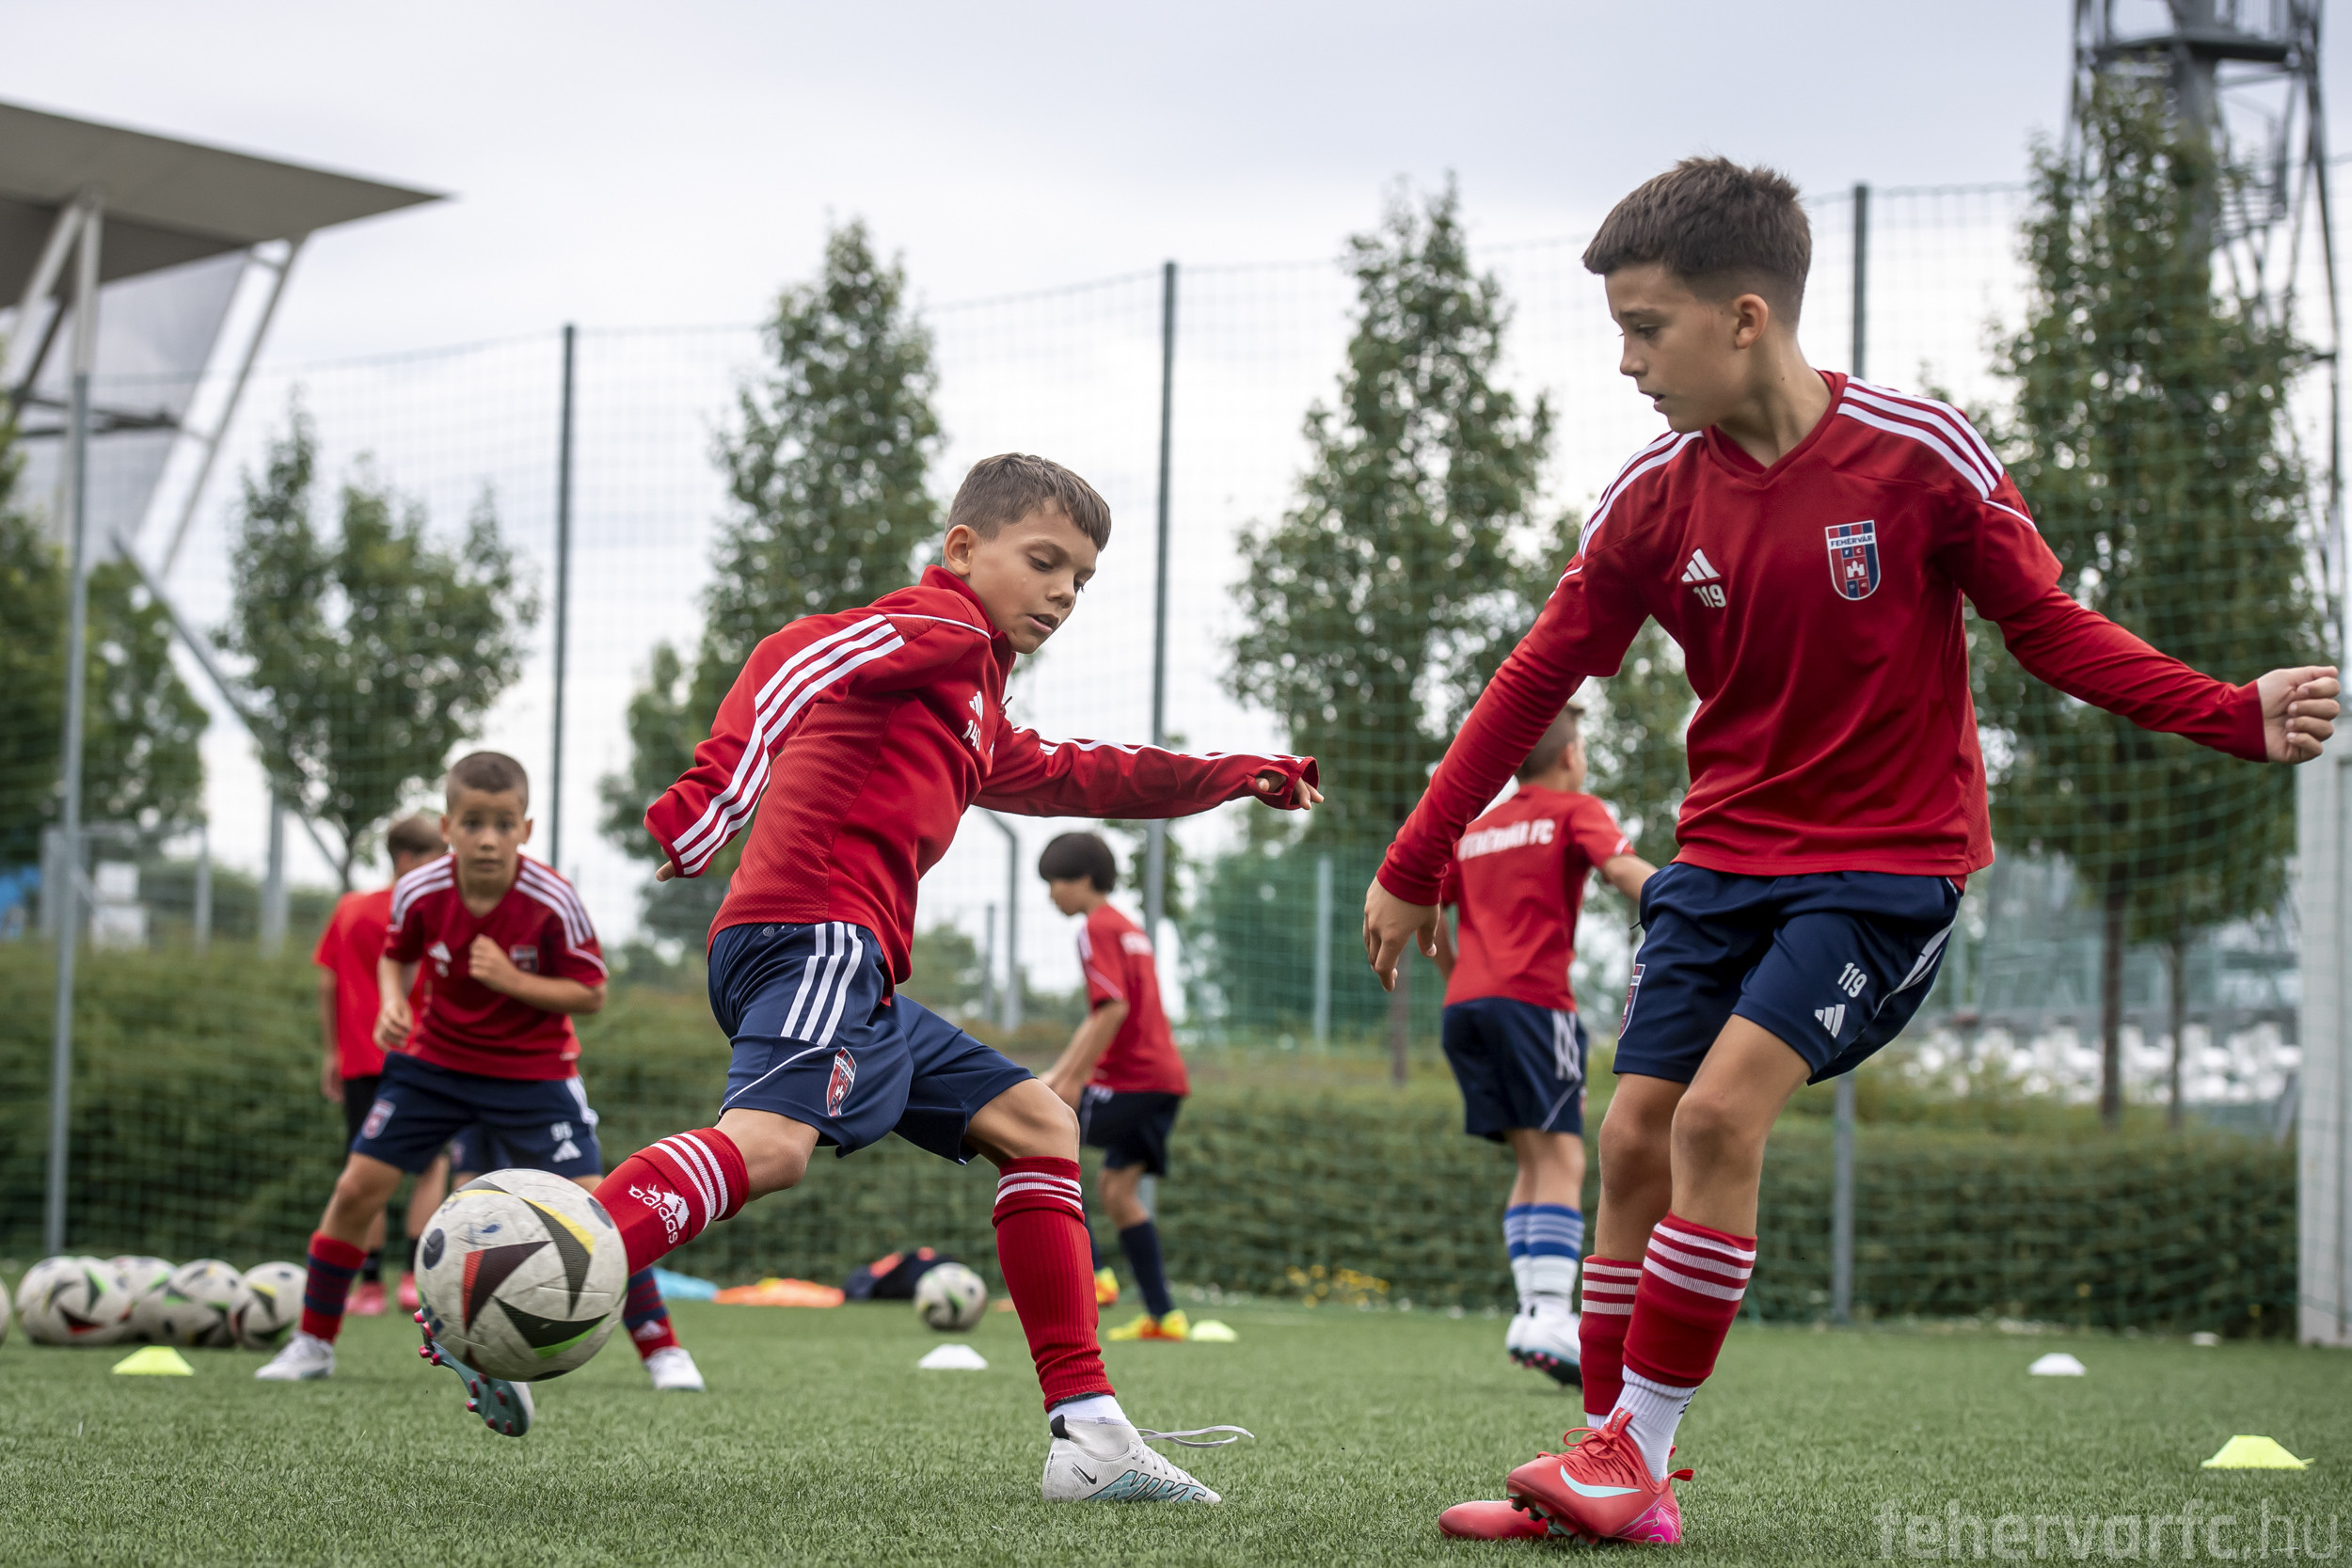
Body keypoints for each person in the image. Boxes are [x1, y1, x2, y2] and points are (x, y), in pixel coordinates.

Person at [1361, 158, 2341, 1547]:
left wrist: (2229, 712)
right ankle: (1611, 1466)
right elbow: (1532, 679)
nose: (1627, 361)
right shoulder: (1649, 500)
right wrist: (1416, 856)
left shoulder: (1918, 454)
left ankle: (1634, 1456)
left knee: (1715, 1119)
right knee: (1630, 1135)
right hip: (1719, 865)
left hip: (1884, 871)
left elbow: (2048, 627)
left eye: (1646, 328)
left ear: (1745, 317)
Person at [578, 453, 1318, 1501]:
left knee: (1039, 1122)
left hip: (850, 962)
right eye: (1044, 561)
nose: (1063, 590)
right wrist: (714, 794)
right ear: (964, 549)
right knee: (774, 1147)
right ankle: (550, 1258)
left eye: (1081, 577)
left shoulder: (973, 696)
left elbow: (1083, 772)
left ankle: (1092, 1437)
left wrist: (1233, 775)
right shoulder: (941, 627)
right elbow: (797, 652)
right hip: (815, 932)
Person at [259, 752, 704, 1406]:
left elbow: (591, 993)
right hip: (435, 1064)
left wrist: (511, 979)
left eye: (502, 823)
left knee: (597, 1210)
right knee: (357, 1188)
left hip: (534, 1073)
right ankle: (312, 1342)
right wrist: (393, 1001)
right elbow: (395, 956)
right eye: (472, 823)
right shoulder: (420, 890)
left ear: (526, 828)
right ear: (448, 828)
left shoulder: (553, 899)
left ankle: (662, 1347)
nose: (488, 838)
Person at [1425, 704, 1653, 1387]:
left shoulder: (1478, 829)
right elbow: (1622, 871)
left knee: (1531, 1160)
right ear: (1571, 755)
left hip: (1466, 1007)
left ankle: (1531, 1314)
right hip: (1533, 1003)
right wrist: (1701, 904)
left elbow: (1427, 914)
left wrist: (1461, 978)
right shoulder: (1575, 809)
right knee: (1562, 1156)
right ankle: (1552, 1313)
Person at [1036, 832, 1191, 1343]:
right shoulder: (1129, 927)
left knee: (1038, 1141)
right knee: (1118, 1191)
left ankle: (1096, 1277)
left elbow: (1112, 1007)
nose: (1051, 894)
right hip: (1165, 1081)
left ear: (1083, 880)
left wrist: (1067, 1079)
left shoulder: (1095, 928)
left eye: (1055, 882)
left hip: (1131, 1080)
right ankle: (1164, 1317)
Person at [311, 813, 451, 1315]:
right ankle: (412, 1278)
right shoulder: (432, 913)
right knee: (432, 1165)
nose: (443, 870)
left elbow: (327, 982)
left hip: (360, 1058)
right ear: (406, 860)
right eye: (435, 859)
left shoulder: (349, 909)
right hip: (417, 1058)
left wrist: (332, 1051)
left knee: (365, 1166)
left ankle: (370, 1286)